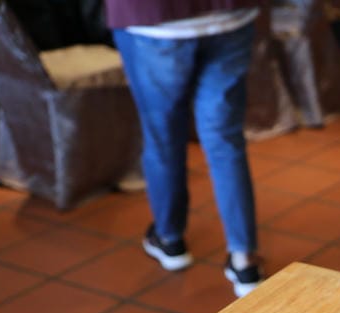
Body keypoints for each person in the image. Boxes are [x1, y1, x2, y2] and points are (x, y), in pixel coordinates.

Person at [106, 0, 264, 297]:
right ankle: (244, 261)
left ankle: (170, 239)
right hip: (230, 15)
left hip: (153, 20)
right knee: (225, 142)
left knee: (162, 137)